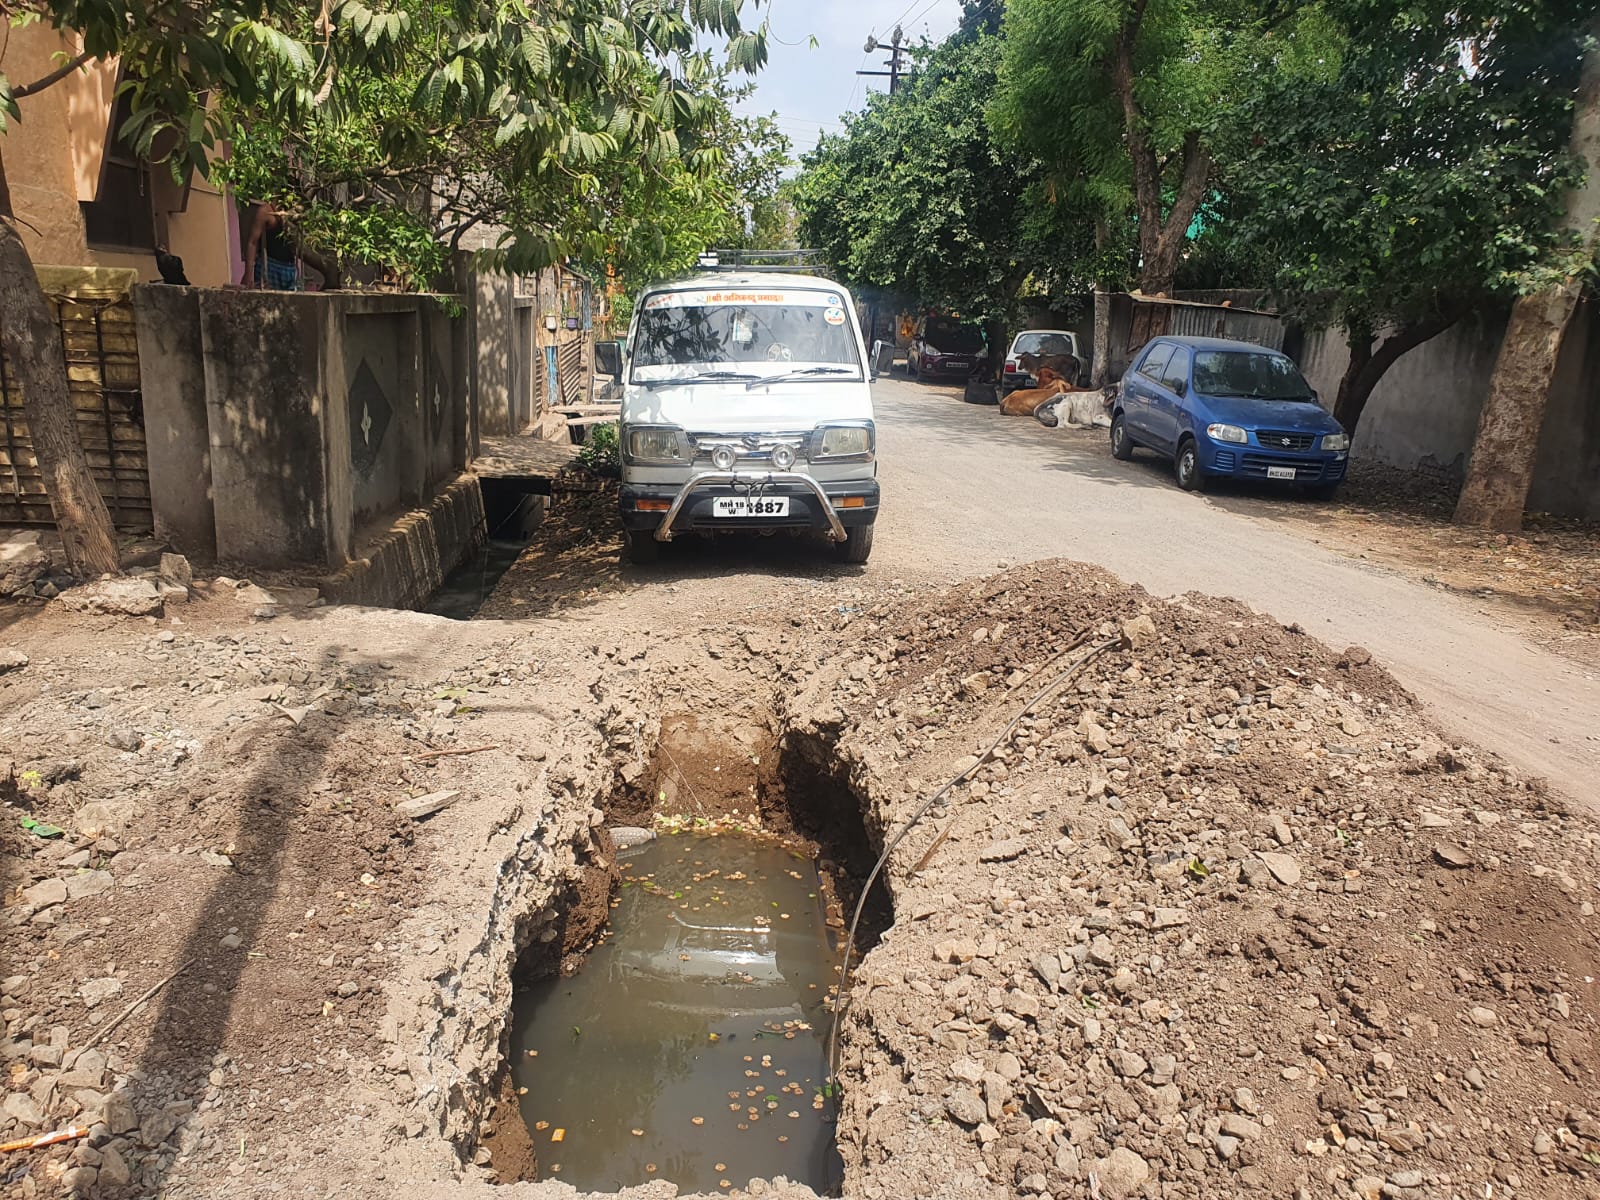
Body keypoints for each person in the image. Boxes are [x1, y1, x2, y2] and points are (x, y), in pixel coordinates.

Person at [241, 201, 299, 289]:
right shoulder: (265, 211)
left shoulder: (295, 212)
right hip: (270, 267)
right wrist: (248, 275)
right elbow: (252, 242)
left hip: (290, 268)